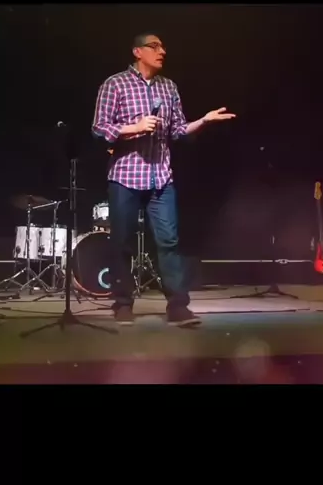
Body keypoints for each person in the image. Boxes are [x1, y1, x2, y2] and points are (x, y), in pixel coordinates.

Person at [91, 33, 236, 325]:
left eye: (163, 47)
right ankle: (122, 303)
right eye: (154, 46)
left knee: (169, 241)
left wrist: (204, 121)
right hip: (125, 176)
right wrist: (134, 127)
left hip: (161, 178)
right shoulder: (114, 84)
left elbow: (178, 130)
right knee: (122, 242)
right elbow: (99, 128)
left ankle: (178, 306)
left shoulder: (168, 87)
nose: (162, 51)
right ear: (137, 52)